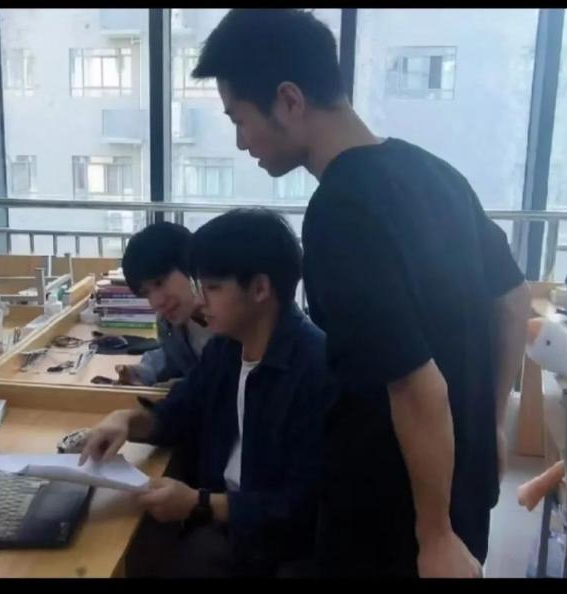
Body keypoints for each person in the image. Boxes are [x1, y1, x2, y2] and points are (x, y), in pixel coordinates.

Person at [192, 9, 532, 578]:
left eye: (240, 119)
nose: (241, 141)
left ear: (289, 100)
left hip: (397, 509)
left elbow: (414, 383)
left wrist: (434, 533)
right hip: (462, 476)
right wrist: (492, 423)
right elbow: (513, 298)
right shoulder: (435, 172)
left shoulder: (340, 213)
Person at [79, 208, 331, 577]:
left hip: (277, 550)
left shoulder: (317, 369)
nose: (201, 300)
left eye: (212, 288)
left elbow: (301, 509)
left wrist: (199, 504)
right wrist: (126, 420)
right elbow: (178, 413)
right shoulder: (226, 350)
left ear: (260, 289)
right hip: (226, 523)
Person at [117, 222, 212, 387]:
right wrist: (143, 372)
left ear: (191, 266)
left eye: (159, 283)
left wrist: (189, 389)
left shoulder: (229, 320)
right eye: (146, 293)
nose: (156, 303)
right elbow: (172, 357)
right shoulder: (168, 323)